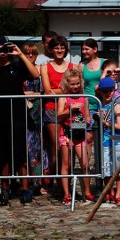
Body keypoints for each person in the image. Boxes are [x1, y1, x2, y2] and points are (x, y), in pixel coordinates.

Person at [0, 36, 40, 200]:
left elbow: (35, 74)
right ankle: (5, 188)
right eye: (0, 49)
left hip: (17, 113)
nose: (3, 52)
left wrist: (20, 54)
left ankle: (25, 187)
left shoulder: (17, 65)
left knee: (20, 151)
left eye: (5, 49)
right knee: (3, 153)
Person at [56, 68, 93, 205]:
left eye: (77, 84)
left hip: (80, 134)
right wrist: (70, 109)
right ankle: (66, 194)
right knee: (66, 164)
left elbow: (88, 115)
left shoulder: (85, 97)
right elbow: (59, 116)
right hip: (66, 133)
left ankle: (87, 192)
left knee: (85, 164)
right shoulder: (63, 97)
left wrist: (86, 122)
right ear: (67, 84)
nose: (75, 87)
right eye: (72, 84)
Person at [40, 36, 75, 179]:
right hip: (51, 108)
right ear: (51, 49)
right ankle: (55, 176)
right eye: (56, 47)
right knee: (56, 146)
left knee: (69, 145)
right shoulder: (45, 67)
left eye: (62, 47)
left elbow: (75, 89)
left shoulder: (72, 67)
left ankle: (66, 178)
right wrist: (65, 89)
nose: (59, 50)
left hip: (69, 108)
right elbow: (48, 92)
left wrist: (57, 90)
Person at [95, 76, 120, 205]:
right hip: (105, 141)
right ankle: (110, 193)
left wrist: (105, 123)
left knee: (118, 169)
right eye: (104, 91)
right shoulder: (99, 104)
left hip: (117, 141)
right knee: (107, 169)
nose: (108, 94)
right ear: (100, 92)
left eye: (110, 91)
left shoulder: (116, 106)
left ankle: (119, 193)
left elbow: (119, 126)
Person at [21, 42, 47, 198]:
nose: (30, 56)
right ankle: (23, 182)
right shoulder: (18, 69)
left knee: (37, 149)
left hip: (37, 112)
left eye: (33, 53)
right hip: (22, 112)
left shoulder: (39, 69)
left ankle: (38, 183)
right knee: (24, 149)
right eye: (27, 53)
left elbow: (45, 90)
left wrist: (36, 94)